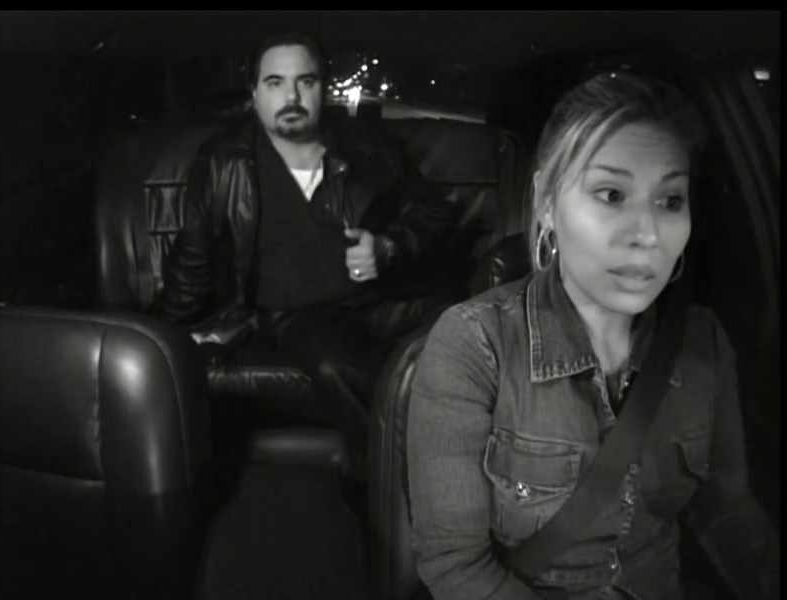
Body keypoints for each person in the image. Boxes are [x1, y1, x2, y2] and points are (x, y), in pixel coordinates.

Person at [407, 72, 779, 600]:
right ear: (546, 202)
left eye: (670, 201)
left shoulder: (703, 343)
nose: (647, 235)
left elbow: (727, 511)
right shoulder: (475, 345)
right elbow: (455, 565)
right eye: (611, 194)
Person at [156, 31, 458, 454]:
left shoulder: (368, 147)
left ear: (324, 90)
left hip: (383, 300)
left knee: (470, 327)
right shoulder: (222, 163)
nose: (291, 97)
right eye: (275, 82)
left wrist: (387, 247)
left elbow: (435, 214)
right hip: (299, 315)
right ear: (255, 94)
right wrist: (163, 338)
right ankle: (400, 477)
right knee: (337, 367)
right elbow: (193, 258)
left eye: (306, 81)